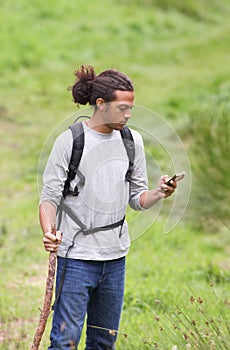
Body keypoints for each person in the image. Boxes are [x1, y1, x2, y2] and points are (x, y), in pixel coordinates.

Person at [39, 65, 177, 350]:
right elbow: (49, 198)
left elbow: (137, 199)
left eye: (131, 109)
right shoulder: (71, 141)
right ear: (100, 104)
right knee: (65, 341)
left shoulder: (132, 141)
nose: (128, 115)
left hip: (115, 258)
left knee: (104, 342)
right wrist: (49, 232)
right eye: (123, 108)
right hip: (75, 258)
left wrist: (159, 193)